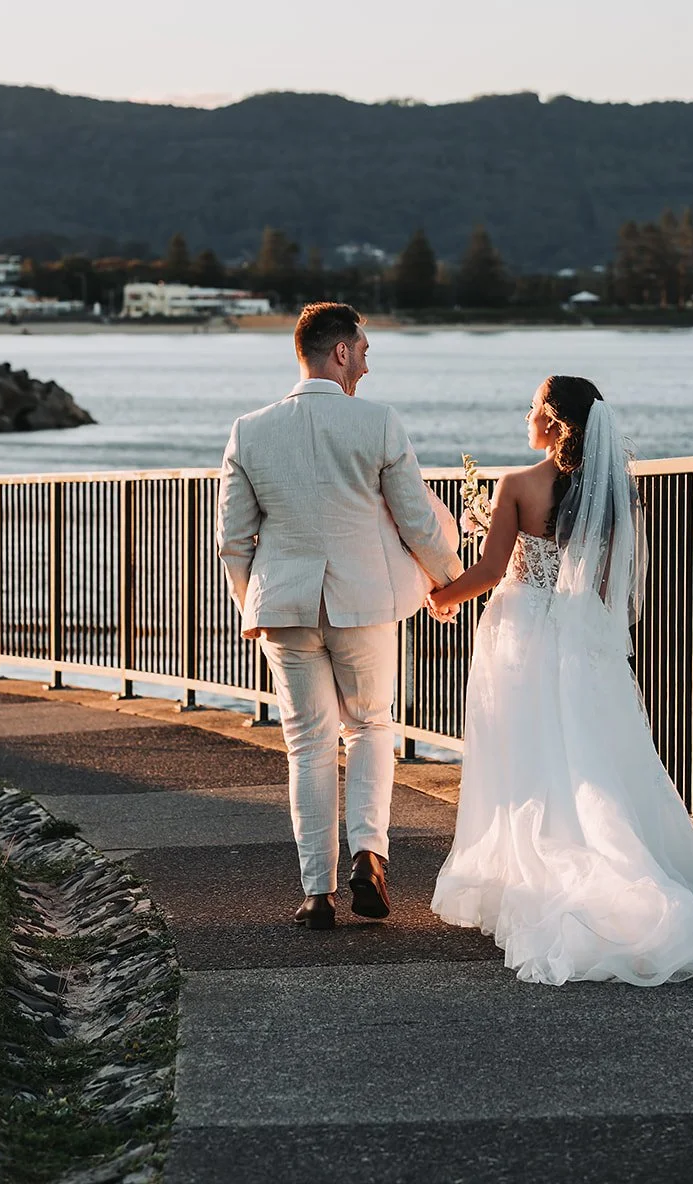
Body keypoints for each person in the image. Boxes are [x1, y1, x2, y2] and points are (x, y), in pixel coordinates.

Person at [427, 375, 693, 986]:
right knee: (592, 751)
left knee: (525, 752)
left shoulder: (516, 485)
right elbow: (605, 583)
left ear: (551, 420)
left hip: (520, 630)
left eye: (531, 407)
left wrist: (442, 596)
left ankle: (531, 875)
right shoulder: (615, 491)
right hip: (583, 632)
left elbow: (490, 570)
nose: (525, 415)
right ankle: (626, 861)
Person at [217, 303, 463, 929]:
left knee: (307, 744)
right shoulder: (377, 423)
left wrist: (255, 605)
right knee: (371, 726)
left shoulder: (249, 430)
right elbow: (416, 520)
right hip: (364, 603)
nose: (368, 365)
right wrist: (449, 582)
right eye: (365, 351)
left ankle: (316, 893)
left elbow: (233, 541)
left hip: (284, 608)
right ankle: (369, 857)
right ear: (341, 351)